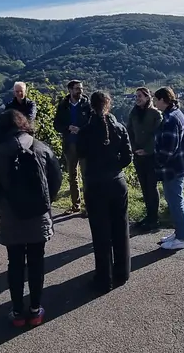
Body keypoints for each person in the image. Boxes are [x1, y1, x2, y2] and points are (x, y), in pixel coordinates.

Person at [0, 109, 62, 327]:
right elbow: (57, 180)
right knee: (37, 262)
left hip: (11, 216)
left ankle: (17, 312)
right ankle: (35, 310)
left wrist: (2, 209)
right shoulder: (42, 148)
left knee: (15, 263)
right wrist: (45, 204)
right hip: (39, 215)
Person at [76, 90, 133, 292]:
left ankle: (104, 278)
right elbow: (128, 156)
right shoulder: (119, 128)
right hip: (117, 182)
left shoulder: (85, 131)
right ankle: (122, 271)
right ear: (109, 105)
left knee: (100, 233)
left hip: (95, 183)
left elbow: (80, 153)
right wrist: (114, 166)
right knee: (120, 227)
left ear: (91, 106)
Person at [153, 87, 184, 251]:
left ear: (163, 100)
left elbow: (169, 148)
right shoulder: (176, 113)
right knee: (174, 200)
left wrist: (158, 163)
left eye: (156, 99)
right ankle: (178, 233)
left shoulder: (170, 119)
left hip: (173, 168)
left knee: (176, 202)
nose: (154, 102)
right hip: (178, 165)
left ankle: (182, 238)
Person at [52, 80, 91, 215]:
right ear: (70, 90)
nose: (79, 91)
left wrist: (81, 129)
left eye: (80, 88)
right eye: (76, 89)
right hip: (69, 144)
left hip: (84, 144)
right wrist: (67, 128)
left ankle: (88, 206)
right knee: (73, 175)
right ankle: (76, 205)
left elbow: (93, 123)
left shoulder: (87, 105)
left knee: (86, 175)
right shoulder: (63, 105)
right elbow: (56, 124)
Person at [126, 87, 163, 231]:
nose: (137, 98)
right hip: (138, 155)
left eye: (140, 96)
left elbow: (157, 135)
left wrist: (147, 150)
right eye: (136, 96)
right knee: (144, 187)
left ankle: (154, 218)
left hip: (151, 156)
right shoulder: (134, 113)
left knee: (151, 187)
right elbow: (129, 131)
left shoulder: (155, 114)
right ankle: (148, 216)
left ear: (148, 97)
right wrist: (134, 148)